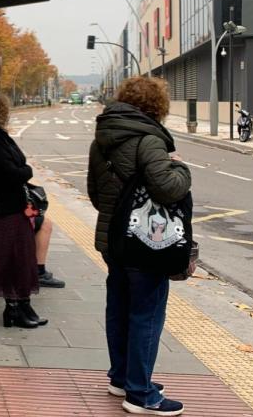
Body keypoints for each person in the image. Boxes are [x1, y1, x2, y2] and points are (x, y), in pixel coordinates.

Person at [87, 76, 191, 416]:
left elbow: (93, 193)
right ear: (157, 106)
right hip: (147, 242)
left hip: (112, 240)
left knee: (118, 307)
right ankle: (141, 394)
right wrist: (182, 170)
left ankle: (122, 378)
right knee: (147, 313)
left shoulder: (101, 140)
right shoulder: (148, 140)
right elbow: (168, 188)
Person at [0, 93, 45, 329]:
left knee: (21, 256)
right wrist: (26, 170)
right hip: (4, 208)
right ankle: (15, 309)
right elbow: (12, 172)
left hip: (10, 206)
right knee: (11, 258)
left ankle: (21, 306)